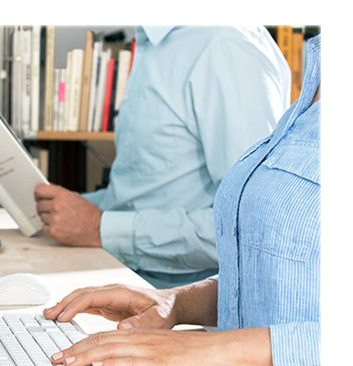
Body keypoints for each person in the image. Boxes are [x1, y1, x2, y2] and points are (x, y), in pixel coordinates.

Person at [43, 34, 321, 366]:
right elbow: (293, 279)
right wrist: (177, 303)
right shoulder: (317, 82)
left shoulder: (226, 45)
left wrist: (218, 350)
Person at [35, 26, 291, 288]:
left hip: (183, 301)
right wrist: (65, 209)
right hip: (127, 278)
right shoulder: (154, 42)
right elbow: (146, 194)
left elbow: (250, 226)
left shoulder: (226, 46)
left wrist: (99, 227)